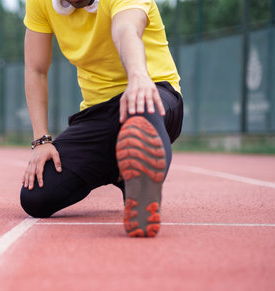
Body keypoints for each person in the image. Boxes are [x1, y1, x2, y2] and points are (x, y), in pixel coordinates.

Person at [20, 0, 183, 237]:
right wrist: (41, 140)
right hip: (99, 114)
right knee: (36, 197)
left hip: (154, 94)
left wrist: (138, 76)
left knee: (140, 109)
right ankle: (120, 171)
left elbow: (126, 30)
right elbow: (36, 70)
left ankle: (142, 188)